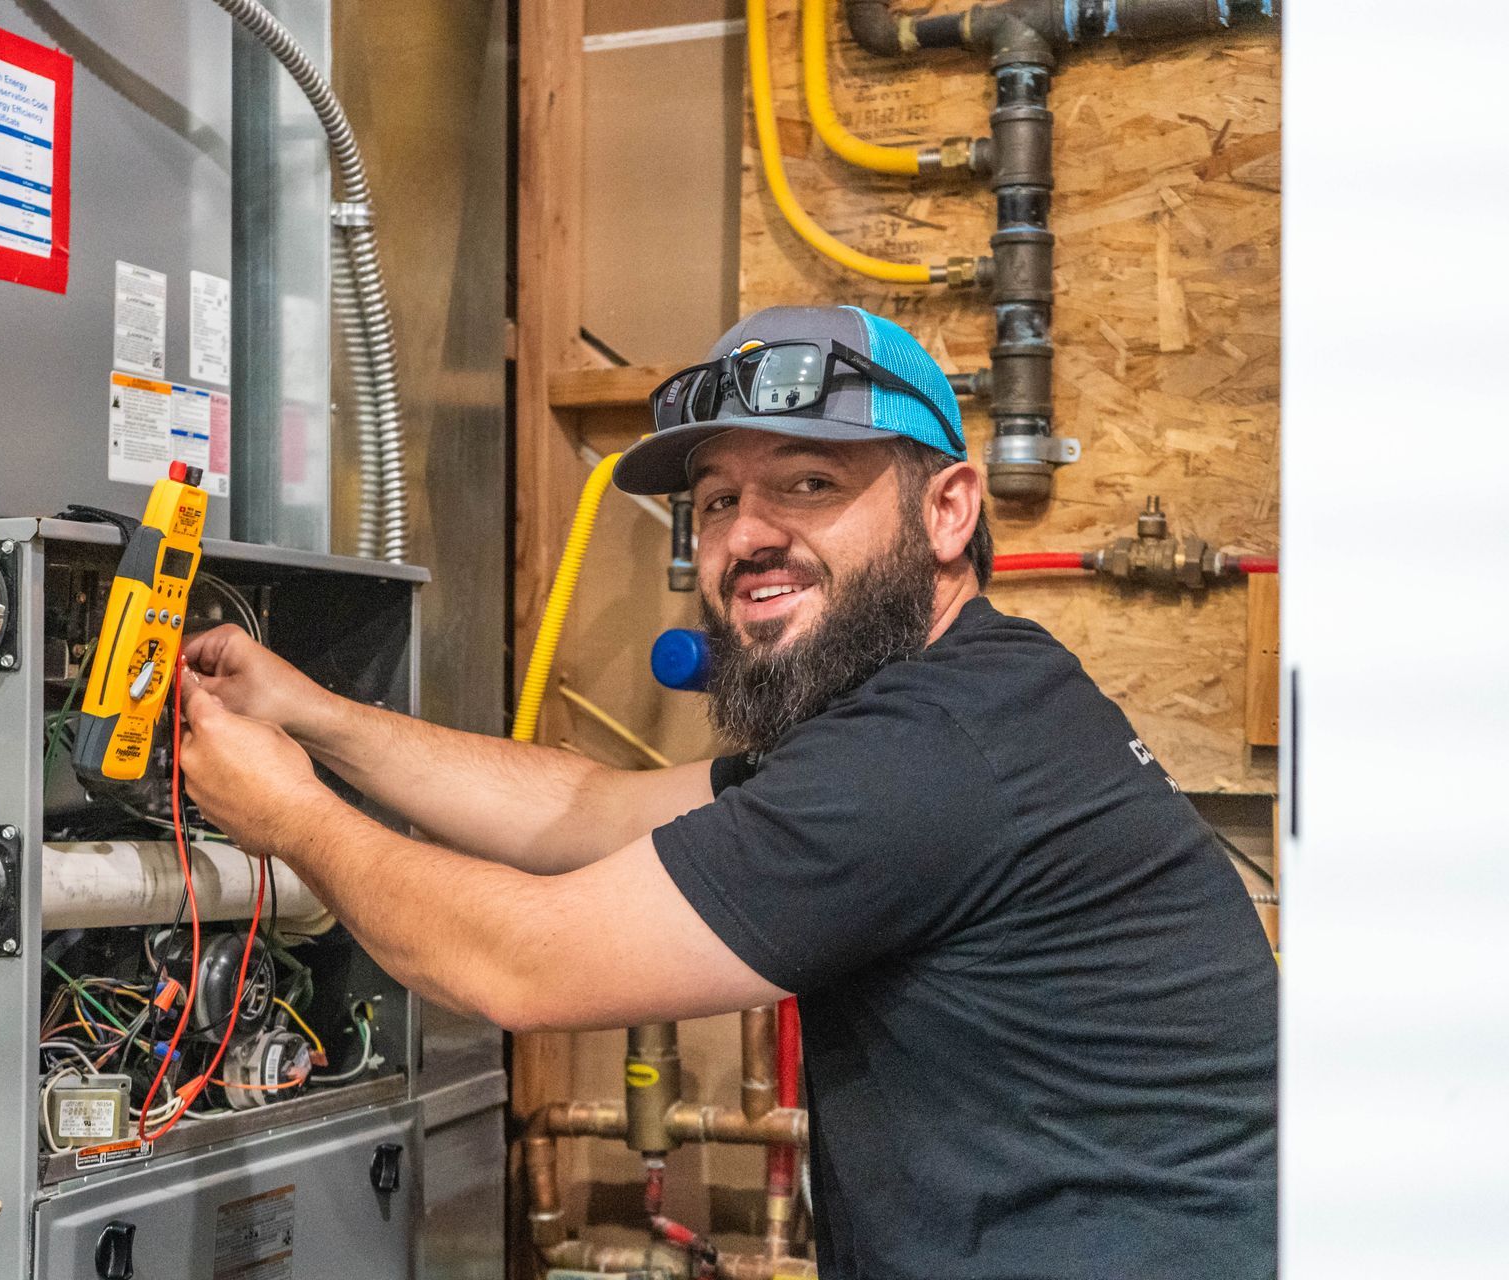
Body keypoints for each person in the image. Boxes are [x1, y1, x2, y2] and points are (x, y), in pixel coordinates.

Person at [178, 306, 1277, 1279]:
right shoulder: (962, 699)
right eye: (716, 501)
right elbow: (593, 809)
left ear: (949, 510)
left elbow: (516, 962)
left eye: (809, 482)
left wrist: (291, 815)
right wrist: (311, 711)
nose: (746, 535)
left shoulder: (933, 751)